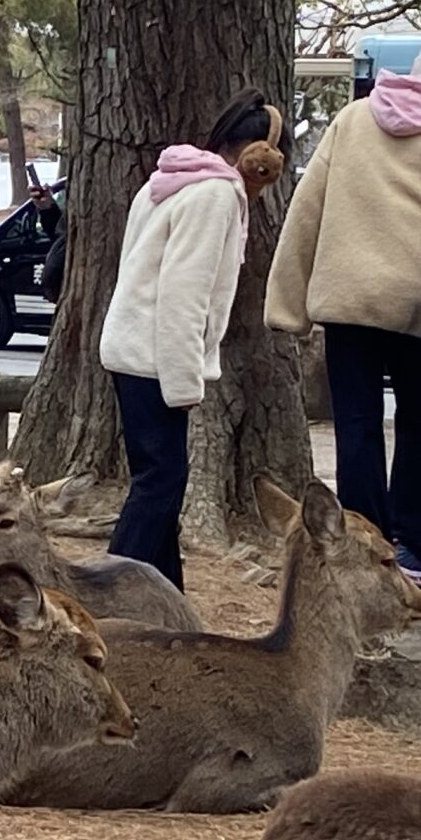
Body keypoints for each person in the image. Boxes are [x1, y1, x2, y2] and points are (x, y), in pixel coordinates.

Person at [265, 0, 421, 580]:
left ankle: (363, 535)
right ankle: (412, 546)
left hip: (346, 298)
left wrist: (287, 302)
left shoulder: (353, 118)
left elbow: (306, 207)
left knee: (358, 425)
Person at [99, 90, 284, 587]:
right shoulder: (216, 196)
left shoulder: (170, 181)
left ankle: (167, 601)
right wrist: (184, 383)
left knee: (161, 481)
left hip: (133, 350)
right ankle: (108, 595)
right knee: (160, 483)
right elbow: (184, 294)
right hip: (156, 359)